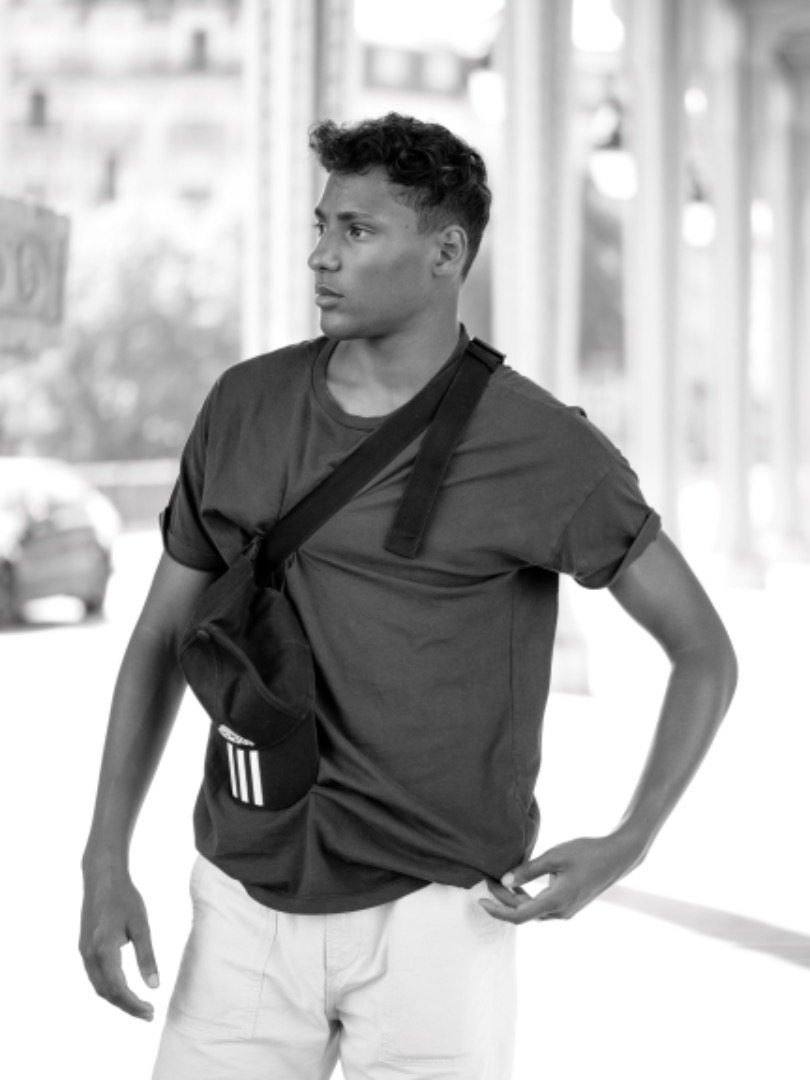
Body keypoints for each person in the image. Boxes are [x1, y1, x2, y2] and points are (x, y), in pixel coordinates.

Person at [80, 113, 738, 1080]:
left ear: (446, 253)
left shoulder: (544, 448)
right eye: (321, 225)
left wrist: (632, 839)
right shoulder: (243, 405)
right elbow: (158, 639)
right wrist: (104, 859)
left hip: (439, 920)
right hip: (242, 899)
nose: (321, 255)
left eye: (357, 230)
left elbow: (704, 650)